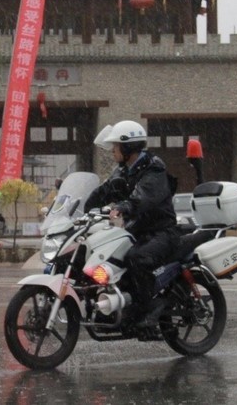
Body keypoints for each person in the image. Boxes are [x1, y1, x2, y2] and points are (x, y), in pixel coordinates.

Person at [85, 120, 179, 337]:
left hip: (162, 232)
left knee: (137, 259)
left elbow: (143, 198)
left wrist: (123, 207)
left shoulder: (154, 169)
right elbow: (105, 190)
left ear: (128, 148)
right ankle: (117, 310)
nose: (113, 151)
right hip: (138, 232)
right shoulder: (124, 171)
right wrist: (84, 208)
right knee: (110, 259)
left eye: (116, 147)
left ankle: (150, 309)